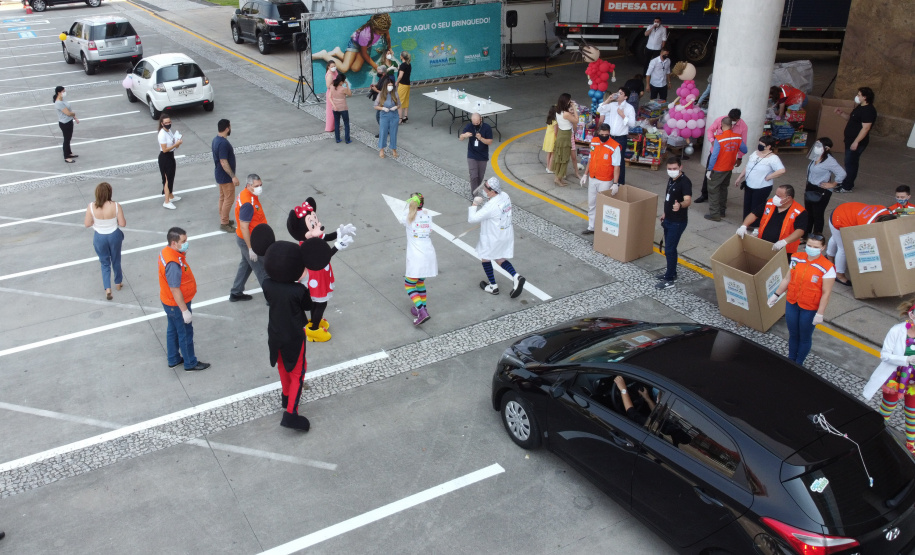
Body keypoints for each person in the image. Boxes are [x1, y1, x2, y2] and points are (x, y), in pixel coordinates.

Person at [768, 234, 834, 366]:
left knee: (804, 337)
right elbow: (788, 279)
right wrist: (776, 294)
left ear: (823, 248)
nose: (811, 248)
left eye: (815, 247)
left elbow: (826, 293)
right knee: (793, 334)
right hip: (792, 302)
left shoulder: (827, 267)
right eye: (809, 245)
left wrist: (820, 313)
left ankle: (799, 363)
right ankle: (791, 360)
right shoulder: (796, 258)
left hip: (810, 307)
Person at [862, 298, 915, 455]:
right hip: (895, 378)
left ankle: (911, 441)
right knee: (887, 410)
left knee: (912, 411)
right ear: (911, 314)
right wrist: (906, 360)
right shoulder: (897, 330)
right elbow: (884, 355)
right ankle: (875, 435)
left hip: (913, 382)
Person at [159, 227, 210, 372]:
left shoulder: (167, 252)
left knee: (173, 329)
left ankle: (173, 359)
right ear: (174, 243)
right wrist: (184, 311)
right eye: (183, 241)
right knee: (185, 332)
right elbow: (175, 288)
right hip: (177, 304)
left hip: (168, 301)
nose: (186, 243)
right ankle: (190, 362)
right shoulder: (173, 264)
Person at [469, 177, 525, 298]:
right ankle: (516, 277)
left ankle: (493, 286)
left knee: (485, 258)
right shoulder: (505, 195)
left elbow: (472, 219)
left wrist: (474, 204)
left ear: (493, 191)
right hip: (505, 233)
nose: (484, 189)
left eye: (486, 188)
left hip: (493, 236)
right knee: (500, 259)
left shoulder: (490, 206)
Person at [826, 202, 895, 286]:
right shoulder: (866, 225)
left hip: (843, 209)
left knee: (835, 237)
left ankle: (829, 258)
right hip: (839, 218)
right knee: (843, 248)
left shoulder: (884, 210)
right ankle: (839, 274)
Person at [736, 185, 807, 259]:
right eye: (776, 195)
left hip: (784, 251)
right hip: (764, 245)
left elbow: (800, 231)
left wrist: (784, 242)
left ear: (788, 198)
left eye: (779, 196)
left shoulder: (799, 212)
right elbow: (754, 214)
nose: (775, 198)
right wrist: (744, 226)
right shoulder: (769, 203)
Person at [230, 174, 270, 302]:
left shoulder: (246, 194)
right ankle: (271, 298)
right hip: (249, 240)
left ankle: (236, 292)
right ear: (248, 186)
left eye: (260, 185)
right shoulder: (248, 203)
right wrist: (251, 248)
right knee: (262, 269)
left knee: (246, 265)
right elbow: (244, 227)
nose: (259, 188)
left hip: (248, 238)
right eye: (256, 186)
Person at [83, 182, 126, 300]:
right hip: (114, 235)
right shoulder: (116, 205)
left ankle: (107, 288)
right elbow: (122, 223)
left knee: (104, 263)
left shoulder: (91, 206)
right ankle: (118, 283)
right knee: (116, 259)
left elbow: (87, 224)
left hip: (99, 237)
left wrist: (95, 223)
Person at [695, 108, 748, 203]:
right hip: (715, 153)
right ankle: (705, 194)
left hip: (729, 156)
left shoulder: (743, 127)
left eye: (733, 120)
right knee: (708, 174)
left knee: (724, 180)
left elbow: (743, 144)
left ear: (737, 119)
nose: (730, 123)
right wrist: (712, 141)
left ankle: (719, 199)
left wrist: (739, 157)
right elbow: (710, 130)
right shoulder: (721, 120)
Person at [400, 193, 437, 326]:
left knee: (409, 284)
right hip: (429, 253)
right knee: (420, 281)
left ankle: (421, 312)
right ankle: (422, 307)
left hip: (416, 256)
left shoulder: (407, 216)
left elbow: (402, 216)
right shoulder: (428, 215)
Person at [312, 13, 392, 74]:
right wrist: (376, 66)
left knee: (355, 68)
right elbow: (364, 54)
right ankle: (324, 55)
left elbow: (388, 37)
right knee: (344, 68)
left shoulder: (383, 27)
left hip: (365, 46)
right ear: (375, 28)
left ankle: (338, 52)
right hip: (355, 44)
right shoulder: (365, 34)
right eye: (380, 33)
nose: (382, 34)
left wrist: (389, 48)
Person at [733, 136, 785, 228]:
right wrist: (740, 177)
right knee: (747, 205)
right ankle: (747, 223)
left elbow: (781, 170)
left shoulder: (773, 158)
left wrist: (769, 176)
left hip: (761, 187)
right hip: (749, 185)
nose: (759, 145)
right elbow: (748, 166)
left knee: (756, 207)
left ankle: (756, 225)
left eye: (762, 144)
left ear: (768, 147)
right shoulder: (755, 154)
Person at [657, 156, 692, 290]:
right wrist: (665, 213)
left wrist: (680, 205)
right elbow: (669, 199)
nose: (672, 171)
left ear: (680, 167)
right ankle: (671, 272)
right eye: (669, 169)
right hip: (669, 219)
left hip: (677, 222)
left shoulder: (685, 182)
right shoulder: (671, 180)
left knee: (670, 249)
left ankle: (669, 279)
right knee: (669, 248)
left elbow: (688, 200)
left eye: (675, 169)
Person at [702, 117, 746, 221]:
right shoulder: (738, 137)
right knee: (723, 189)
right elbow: (744, 149)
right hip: (729, 168)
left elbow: (714, 155)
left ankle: (715, 215)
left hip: (718, 168)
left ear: (721, 125)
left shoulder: (719, 138)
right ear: (731, 126)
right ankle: (722, 211)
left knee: (713, 191)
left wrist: (709, 169)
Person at [834, 87, 876, 193]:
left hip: (856, 141)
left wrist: (856, 141)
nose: (857, 97)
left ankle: (847, 186)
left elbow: (866, 128)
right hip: (849, 140)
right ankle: (845, 182)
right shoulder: (860, 107)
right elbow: (852, 119)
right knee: (849, 162)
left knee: (851, 163)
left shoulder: (869, 111)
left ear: (864, 97)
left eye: (859, 95)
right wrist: (841, 114)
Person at [580, 123, 621, 235]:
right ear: (598, 133)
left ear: (609, 133)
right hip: (593, 177)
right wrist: (585, 174)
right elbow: (590, 158)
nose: (604, 136)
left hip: (605, 180)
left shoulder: (614, 146)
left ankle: (602, 229)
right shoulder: (594, 141)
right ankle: (591, 226)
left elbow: (617, 166)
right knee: (591, 203)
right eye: (602, 134)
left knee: (603, 205)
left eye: (606, 134)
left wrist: (615, 183)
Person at [803, 138, 845, 236]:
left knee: (818, 214)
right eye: (816, 144)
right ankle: (806, 235)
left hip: (821, 189)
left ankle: (817, 236)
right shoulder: (815, 156)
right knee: (809, 213)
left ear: (826, 148)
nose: (816, 147)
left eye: (819, 145)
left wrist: (833, 184)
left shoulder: (830, 161)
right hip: (810, 186)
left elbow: (842, 173)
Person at [596, 87, 635, 185]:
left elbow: (632, 123)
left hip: (621, 138)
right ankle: (609, 179)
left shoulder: (629, 108)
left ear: (625, 97)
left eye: (621, 93)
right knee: (609, 159)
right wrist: (609, 99)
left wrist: (623, 115)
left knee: (619, 161)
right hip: (611, 137)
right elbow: (600, 109)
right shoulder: (612, 105)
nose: (618, 94)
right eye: (618, 92)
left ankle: (620, 183)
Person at [212, 119, 238, 233]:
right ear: (227, 128)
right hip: (225, 176)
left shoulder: (216, 139)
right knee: (229, 199)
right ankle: (224, 223)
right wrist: (233, 176)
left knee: (223, 198)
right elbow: (223, 161)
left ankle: (224, 219)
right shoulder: (223, 143)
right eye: (230, 126)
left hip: (219, 174)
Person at [459, 112, 494, 197]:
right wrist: (464, 135)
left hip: (483, 155)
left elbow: (490, 142)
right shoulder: (469, 126)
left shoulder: (486, 127)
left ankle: (476, 188)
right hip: (472, 154)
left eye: (477, 123)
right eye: (473, 122)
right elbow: (460, 138)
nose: (475, 124)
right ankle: (474, 194)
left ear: (480, 120)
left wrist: (481, 138)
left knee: (480, 176)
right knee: (474, 175)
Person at [550, 93, 579, 186]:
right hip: (565, 136)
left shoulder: (558, 111)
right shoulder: (566, 114)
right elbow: (576, 120)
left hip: (560, 135)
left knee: (559, 157)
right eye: (569, 101)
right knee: (565, 158)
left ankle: (558, 177)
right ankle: (558, 178)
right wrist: (574, 109)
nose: (570, 102)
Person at [157, 115, 182, 210]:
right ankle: (166, 201)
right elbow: (164, 150)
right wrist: (176, 144)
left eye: (169, 122)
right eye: (166, 123)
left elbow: (173, 145)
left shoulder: (169, 131)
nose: (168, 124)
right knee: (166, 180)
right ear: (162, 123)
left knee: (171, 177)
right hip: (165, 158)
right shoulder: (162, 134)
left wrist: (177, 143)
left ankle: (171, 195)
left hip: (171, 156)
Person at [375, 78, 400, 158]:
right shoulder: (381, 94)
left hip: (394, 115)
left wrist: (396, 107)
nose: (391, 87)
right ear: (385, 86)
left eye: (392, 85)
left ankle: (393, 148)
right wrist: (382, 108)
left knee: (393, 132)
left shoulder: (395, 94)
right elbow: (375, 106)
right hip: (384, 116)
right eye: (389, 85)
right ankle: (382, 149)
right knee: (383, 132)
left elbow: (399, 104)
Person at [53, 85, 79, 164]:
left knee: (69, 138)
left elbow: (69, 110)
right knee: (66, 140)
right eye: (63, 91)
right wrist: (74, 113)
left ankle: (69, 153)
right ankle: (66, 157)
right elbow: (68, 113)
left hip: (69, 121)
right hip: (65, 123)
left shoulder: (62, 99)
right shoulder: (58, 103)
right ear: (59, 92)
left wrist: (75, 118)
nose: (65, 93)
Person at [329, 72, 352, 144]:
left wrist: (334, 106)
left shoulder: (332, 86)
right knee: (346, 123)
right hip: (343, 107)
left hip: (335, 107)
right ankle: (347, 140)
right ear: (342, 81)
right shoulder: (343, 89)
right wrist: (347, 85)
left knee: (336, 123)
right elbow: (350, 94)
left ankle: (337, 139)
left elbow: (330, 97)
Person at [368, 64, 387, 137]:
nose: (378, 73)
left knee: (379, 116)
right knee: (381, 116)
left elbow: (385, 92)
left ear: (383, 73)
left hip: (383, 100)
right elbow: (379, 83)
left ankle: (383, 131)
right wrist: (375, 85)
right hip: (380, 100)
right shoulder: (382, 78)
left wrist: (375, 90)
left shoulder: (386, 80)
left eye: (379, 72)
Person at [396, 51, 412, 124]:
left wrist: (397, 82)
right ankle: (405, 117)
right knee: (405, 100)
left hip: (402, 85)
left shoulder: (402, 65)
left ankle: (400, 118)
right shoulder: (408, 64)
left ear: (402, 57)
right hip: (407, 84)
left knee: (399, 101)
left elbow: (400, 76)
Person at [324, 61, 337, 133]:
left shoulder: (335, 71)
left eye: (334, 66)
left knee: (336, 110)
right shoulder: (329, 75)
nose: (333, 67)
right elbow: (328, 86)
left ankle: (335, 125)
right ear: (328, 67)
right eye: (332, 66)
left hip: (335, 92)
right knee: (331, 111)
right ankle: (330, 127)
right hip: (331, 93)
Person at [542, 106, 557, 173]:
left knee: (549, 153)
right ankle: (550, 168)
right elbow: (556, 132)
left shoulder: (549, 120)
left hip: (548, 138)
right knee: (553, 154)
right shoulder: (555, 122)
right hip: (553, 138)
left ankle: (547, 167)